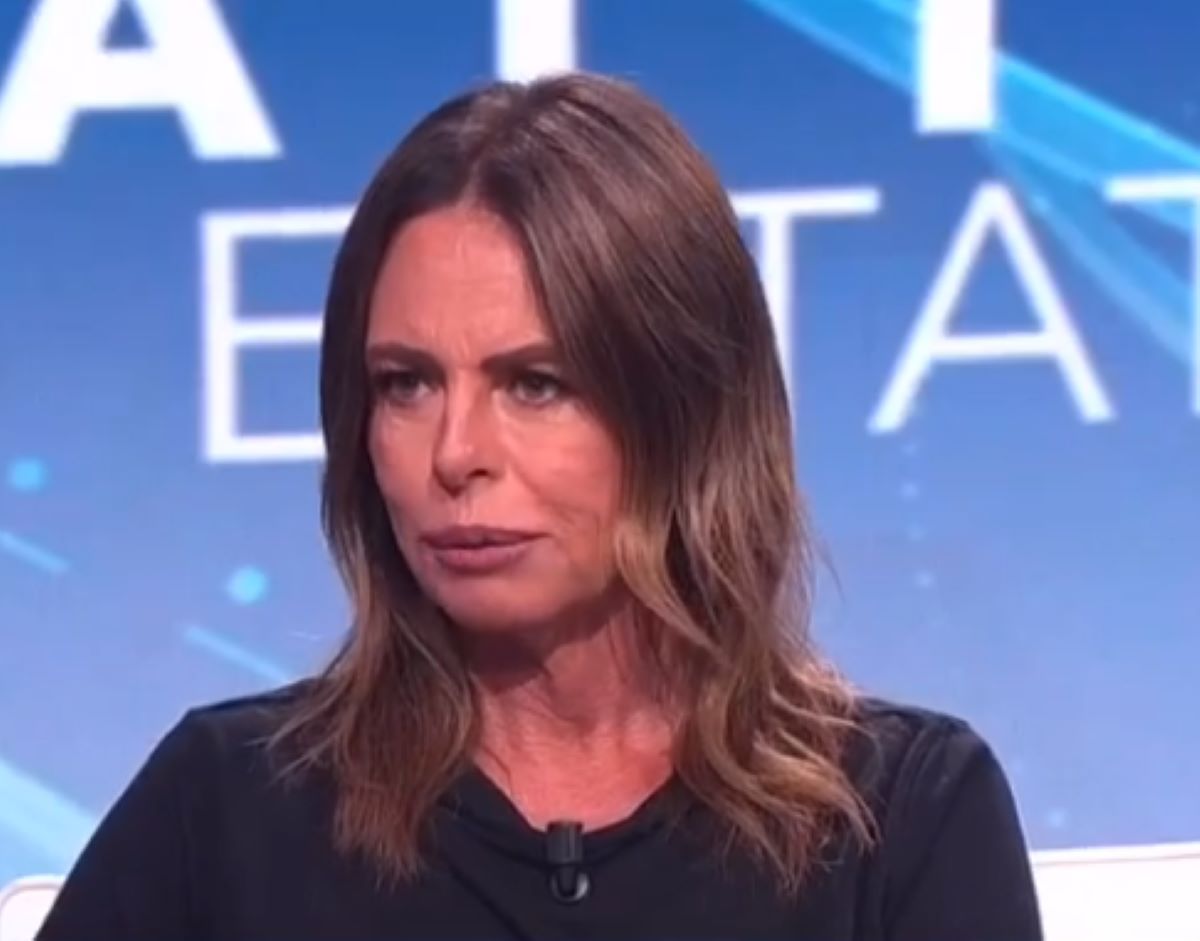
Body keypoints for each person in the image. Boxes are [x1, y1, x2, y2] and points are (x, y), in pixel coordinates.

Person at [37, 72, 1042, 941]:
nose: (455, 454)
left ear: (685, 408)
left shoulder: (899, 818)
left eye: (535, 383)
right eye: (405, 383)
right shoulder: (227, 809)